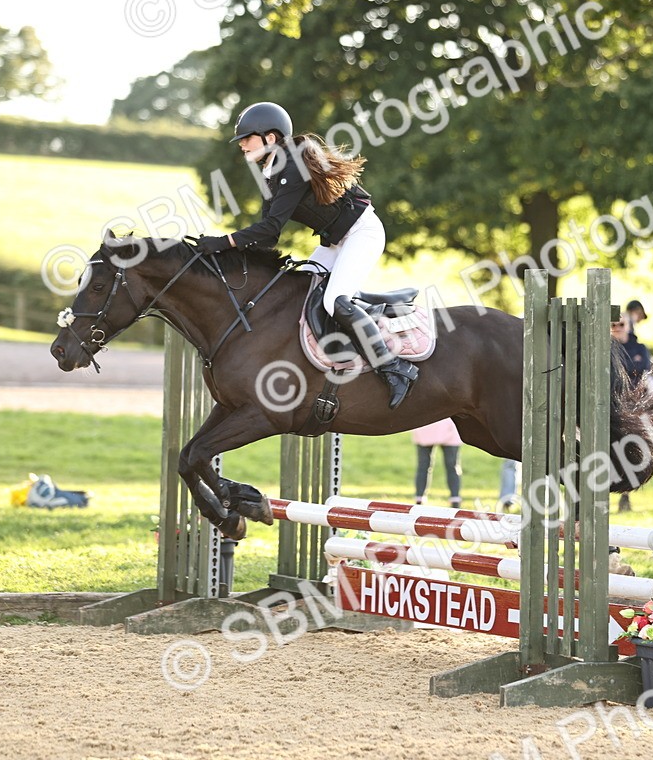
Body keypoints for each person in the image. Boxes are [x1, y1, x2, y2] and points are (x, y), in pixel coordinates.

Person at [197, 102, 417, 409]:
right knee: (305, 287)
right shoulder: (271, 170)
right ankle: (370, 310)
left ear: (270, 138)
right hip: (335, 242)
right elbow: (269, 236)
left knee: (333, 301)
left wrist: (224, 243)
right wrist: (229, 258)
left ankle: (394, 367)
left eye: (247, 138)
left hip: (362, 234)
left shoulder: (292, 167)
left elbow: (272, 225)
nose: (242, 144)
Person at [411, 419, 463, 508]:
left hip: (448, 426)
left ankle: (455, 498)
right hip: (427, 425)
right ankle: (419, 498)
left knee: (452, 465)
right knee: (423, 465)